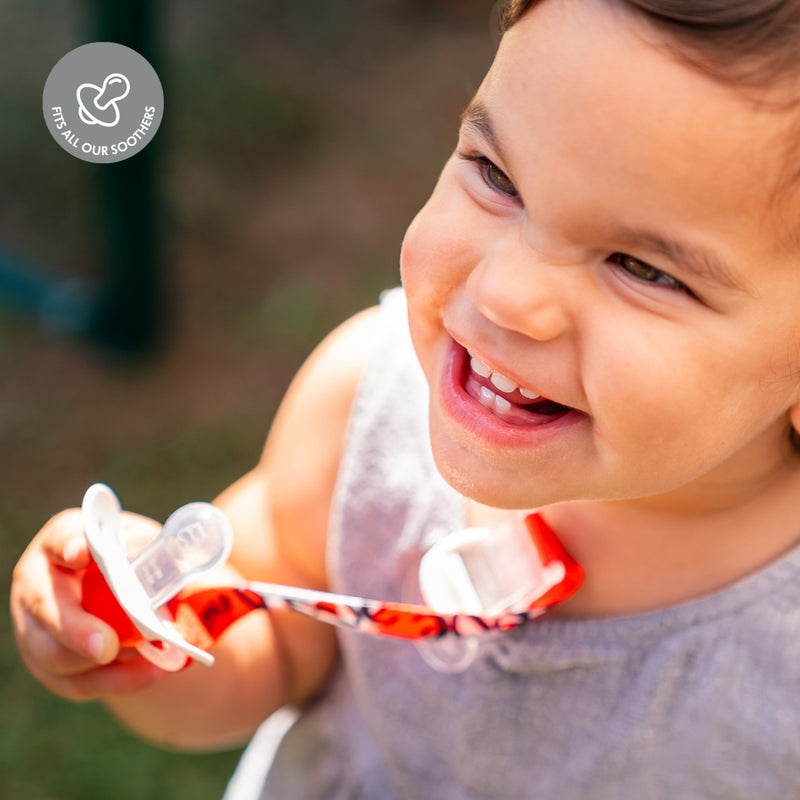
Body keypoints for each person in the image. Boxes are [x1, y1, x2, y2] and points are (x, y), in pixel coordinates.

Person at [11, 0, 800, 796]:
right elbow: (272, 647)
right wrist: (146, 635)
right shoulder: (363, 403)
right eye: (497, 177)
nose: (505, 295)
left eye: (644, 268)